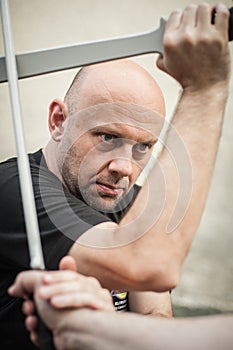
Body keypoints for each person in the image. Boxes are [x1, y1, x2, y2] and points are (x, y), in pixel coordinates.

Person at [0, 1, 230, 348]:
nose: (124, 168)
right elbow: (147, 264)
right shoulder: (14, 191)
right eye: (107, 137)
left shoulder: (129, 197)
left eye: (142, 147)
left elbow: (155, 317)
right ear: (58, 121)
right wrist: (204, 88)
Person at [9, 256, 233, 350]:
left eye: (142, 152)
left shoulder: (136, 204)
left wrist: (103, 328)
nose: (124, 167)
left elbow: (156, 312)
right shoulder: (20, 187)